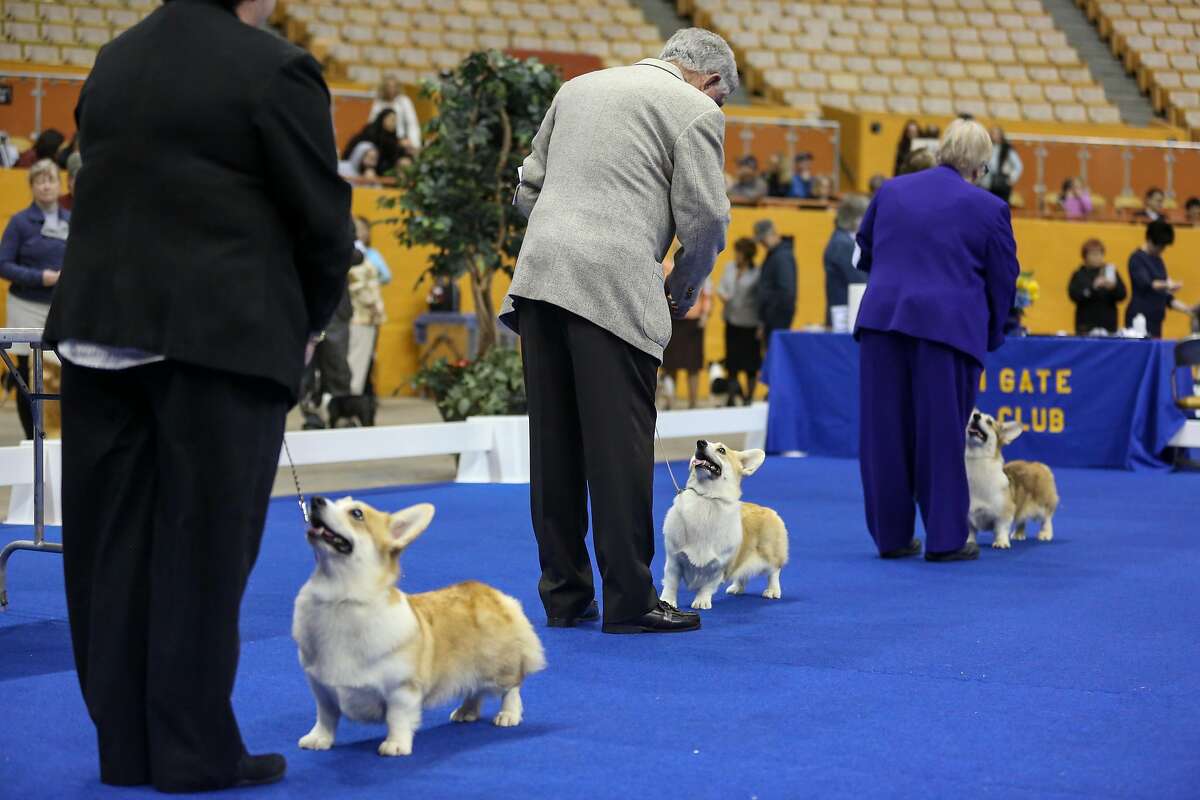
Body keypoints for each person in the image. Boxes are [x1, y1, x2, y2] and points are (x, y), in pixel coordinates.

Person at [43, 0, 355, 791]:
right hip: (219, 336)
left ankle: (128, 748)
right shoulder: (276, 67)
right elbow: (323, 221)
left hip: (96, 329)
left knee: (111, 553)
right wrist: (309, 322)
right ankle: (192, 752)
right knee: (202, 550)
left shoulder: (112, 60)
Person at [501, 27, 734, 634]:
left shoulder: (577, 88)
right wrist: (681, 288)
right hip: (614, 285)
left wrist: (562, 232)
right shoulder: (694, 109)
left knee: (553, 445)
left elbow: (527, 187)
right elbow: (706, 220)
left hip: (540, 277)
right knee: (619, 449)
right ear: (710, 82)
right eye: (722, 99)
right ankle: (630, 601)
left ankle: (564, 596)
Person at [854, 118, 1019, 562]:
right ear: (981, 166)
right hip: (948, 331)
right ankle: (946, 539)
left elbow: (865, 251)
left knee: (883, 433)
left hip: (883, 324)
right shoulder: (989, 208)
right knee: (942, 434)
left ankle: (891, 537)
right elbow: (1004, 280)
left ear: (942, 149)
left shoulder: (891, 190)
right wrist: (992, 333)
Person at [0, 159, 69, 440]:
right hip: (26, 306)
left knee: (63, 372)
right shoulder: (19, 222)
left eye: (50, 179)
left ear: (59, 184)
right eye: (39, 180)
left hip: (62, 307)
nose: (46, 185)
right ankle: (32, 436)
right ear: (31, 187)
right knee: (27, 375)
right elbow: (3, 264)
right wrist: (41, 277)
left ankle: (58, 435)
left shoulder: (72, 220)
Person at [1125, 220, 1193, 338]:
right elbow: (1147, 284)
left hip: (1156, 320)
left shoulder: (1159, 261)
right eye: (1160, 246)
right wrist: (1167, 285)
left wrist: (1188, 310)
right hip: (1139, 319)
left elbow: (1166, 297)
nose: (1162, 249)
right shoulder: (1136, 259)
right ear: (1150, 240)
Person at [660, 262, 712, 410]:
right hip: (674, 320)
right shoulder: (669, 267)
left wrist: (705, 314)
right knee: (670, 365)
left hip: (693, 323)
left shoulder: (702, 267)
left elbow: (707, 294)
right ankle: (670, 401)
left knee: (693, 365)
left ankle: (693, 402)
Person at [717, 236, 761, 405]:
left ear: (747, 255)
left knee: (751, 363)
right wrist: (723, 296)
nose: (736, 255)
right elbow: (721, 287)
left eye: (739, 252)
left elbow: (758, 298)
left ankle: (749, 397)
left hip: (750, 323)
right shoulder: (729, 268)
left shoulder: (757, 273)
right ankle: (732, 396)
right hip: (732, 321)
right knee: (732, 362)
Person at [823, 194, 869, 329]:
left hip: (846, 314)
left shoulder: (843, 241)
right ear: (857, 219)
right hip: (845, 317)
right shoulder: (843, 244)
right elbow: (861, 282)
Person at [753, 218, 797, 350]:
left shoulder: (781, 257)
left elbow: (787, 292)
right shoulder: (775, 255)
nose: (761, 243)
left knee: (774, 357)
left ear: (772, 234)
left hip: (777, 319)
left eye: (762, 239)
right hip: (773, 318)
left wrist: (770, 315)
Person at [1068, 238, 1126, 334]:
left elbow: (1123, 294)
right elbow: (1074, 295)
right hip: (1085, 327)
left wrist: (1113, 288)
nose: (1097, 257)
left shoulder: (1110, 272)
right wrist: (1092, 288)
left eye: (1100, 254)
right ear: (1085, 256)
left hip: (1108, 327)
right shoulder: (1079, 274)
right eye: (1093, 254)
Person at [341, 108, 403, 175]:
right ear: (383, 119)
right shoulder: (370, 134)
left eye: (395, 121)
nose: (394, 123)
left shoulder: (393, 139)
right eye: (392, 120)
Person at [370, 74, 421, 153]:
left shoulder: (404, 101)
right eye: (388, 86)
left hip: (401, 139)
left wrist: (414, 144)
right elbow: (372, 123)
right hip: (382, 140)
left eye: (394, 86)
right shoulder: (379, 103)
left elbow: (412, 124)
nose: (391, 89)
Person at [982, 126, 1022, 204]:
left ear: (1001, 136)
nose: (994, 136)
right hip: (987, 182)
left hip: (1002, 182)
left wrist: (1012, 178)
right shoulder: (986, 148)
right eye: (993, 133)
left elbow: (1018, 166)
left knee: (1001, 204)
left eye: (997, 134)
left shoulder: (1007, 149)